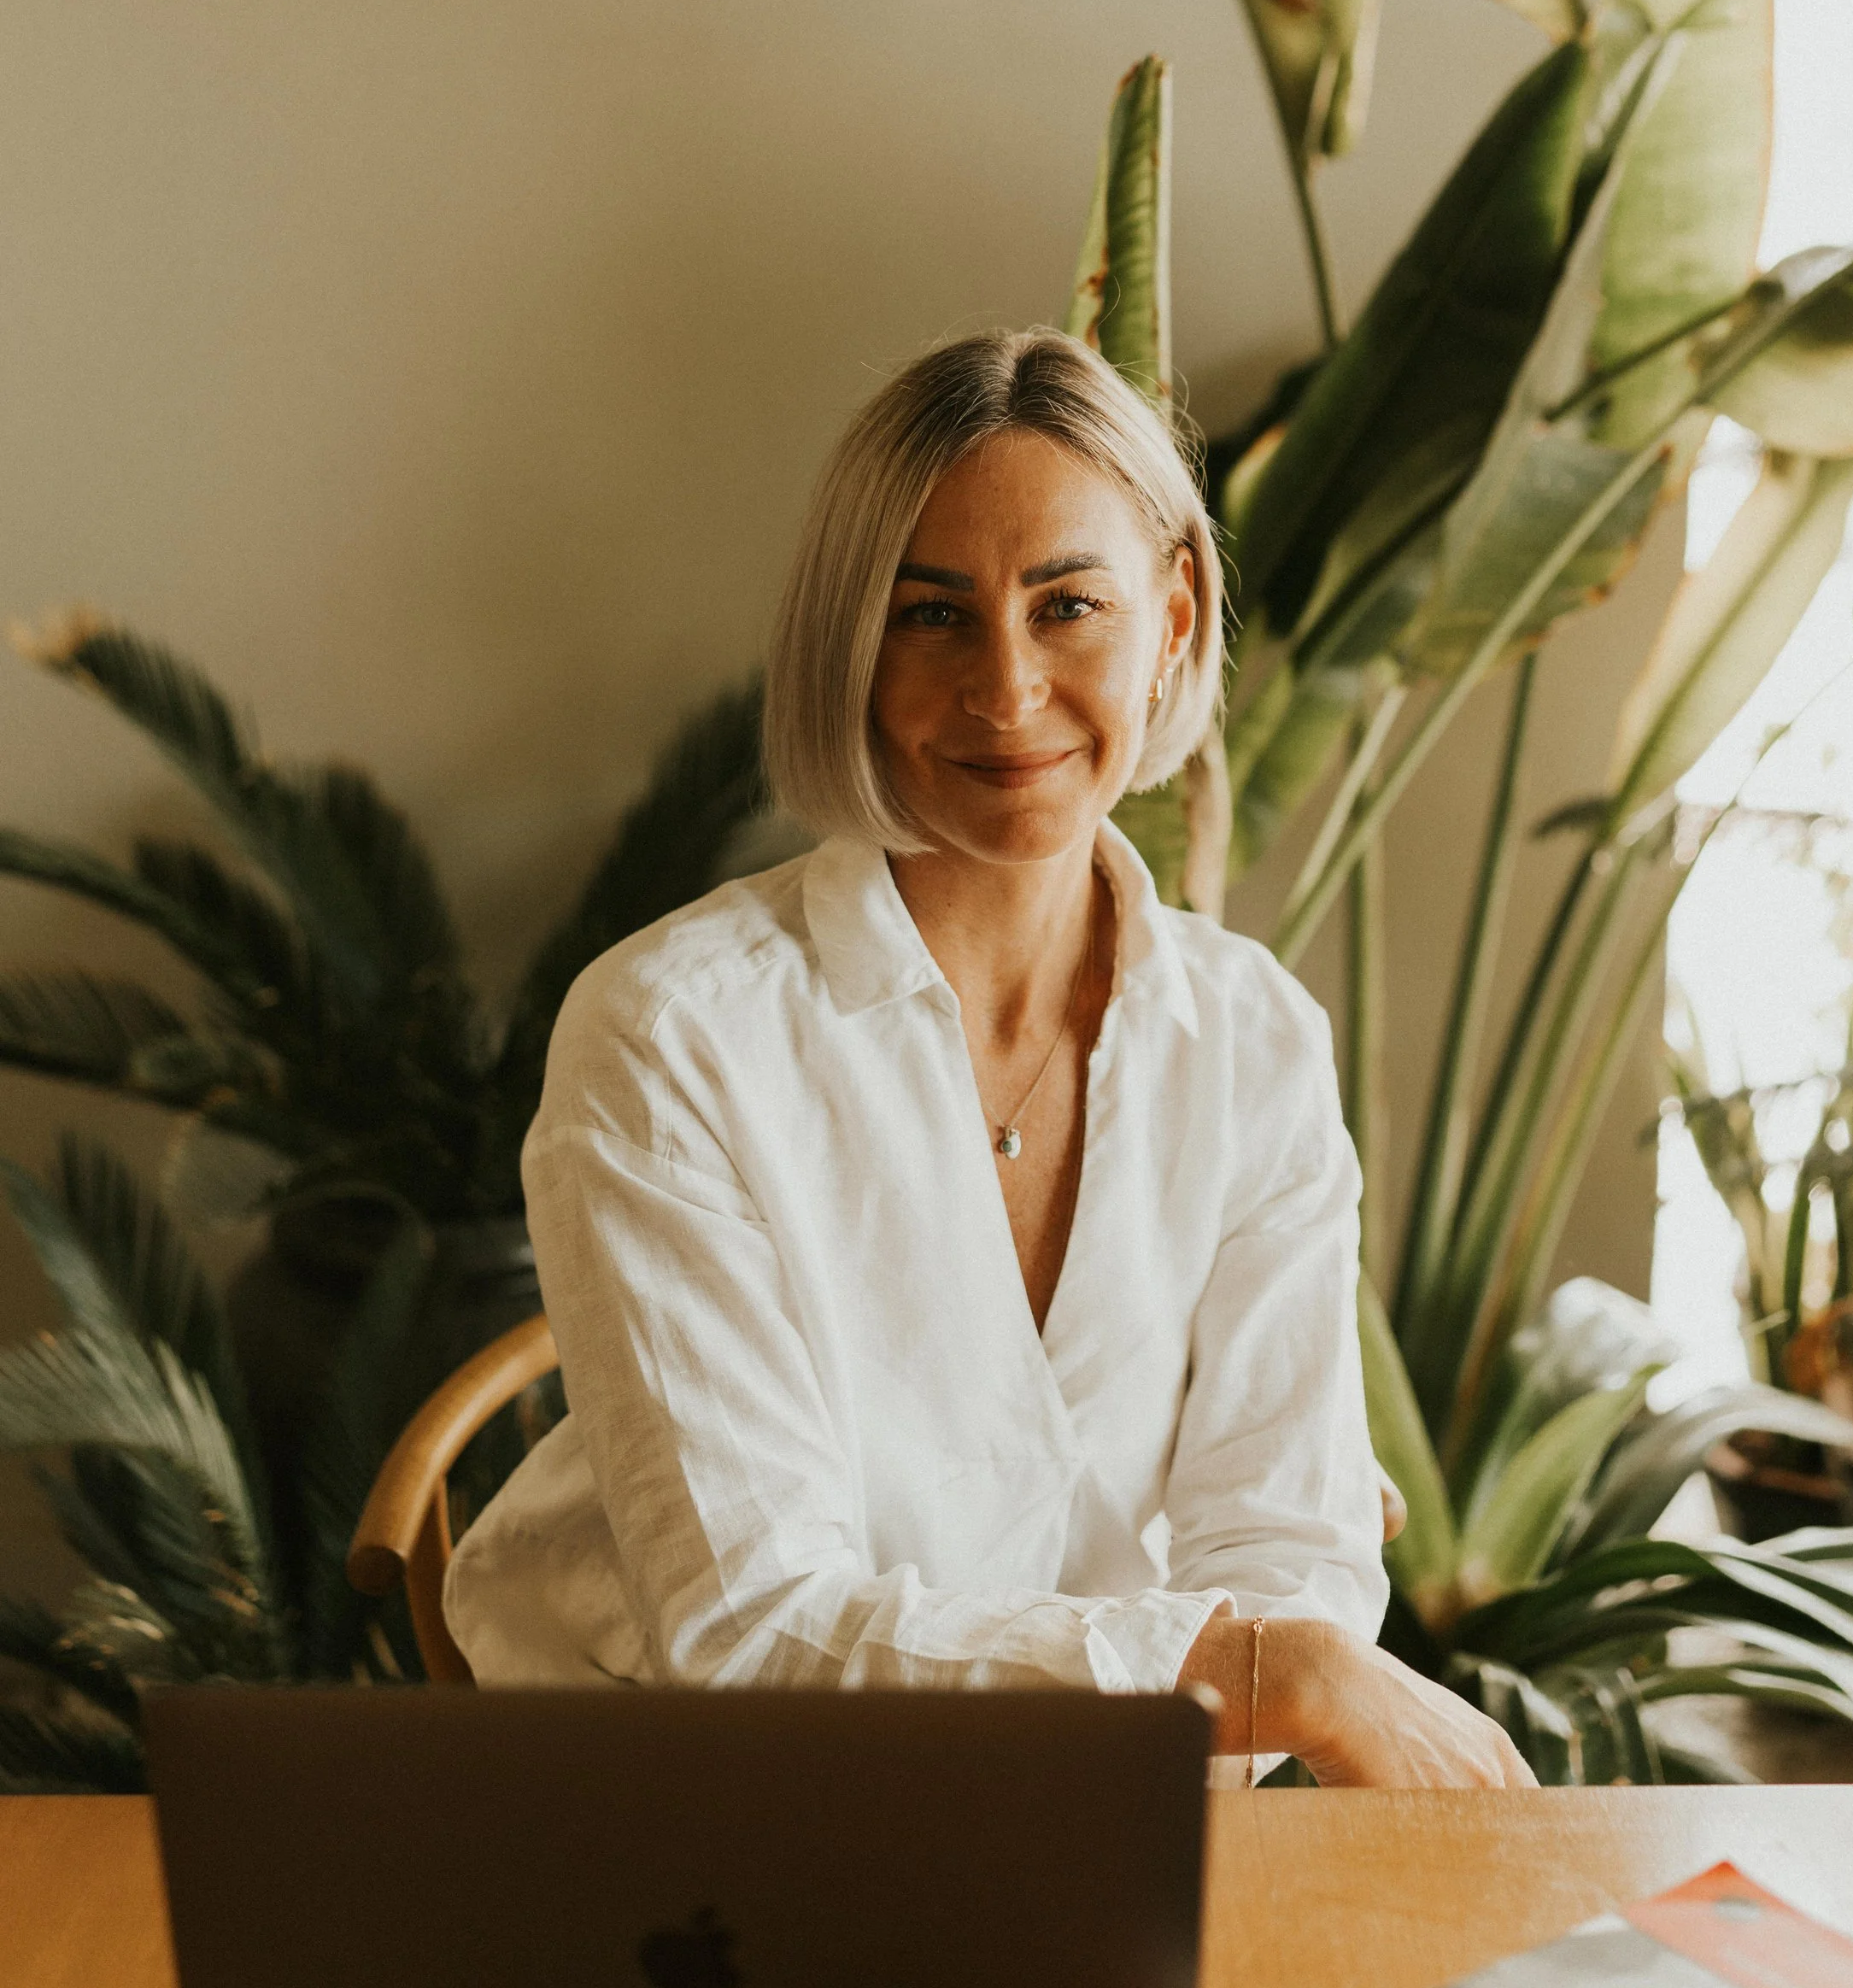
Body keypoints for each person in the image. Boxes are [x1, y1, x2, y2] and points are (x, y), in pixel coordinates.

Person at [446, 330, 1530, 1788]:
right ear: (852, 646)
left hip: (1112, 1811)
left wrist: (1153, 1801)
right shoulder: (670, 1036)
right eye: (932, 616)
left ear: (1175, 617)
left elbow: (1288, 1551)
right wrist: (1262, 1677)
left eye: (1068, 605)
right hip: (672, 1814)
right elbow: (751, 1634)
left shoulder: (1257, 1039)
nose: (1007, 691)